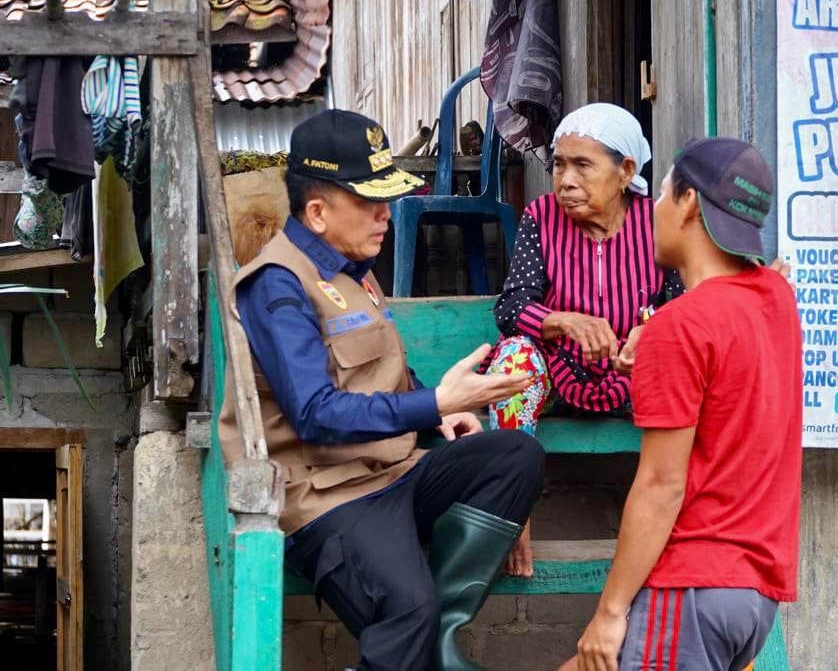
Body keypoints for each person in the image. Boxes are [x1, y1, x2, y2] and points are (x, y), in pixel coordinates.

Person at [217, 109, 546, 671]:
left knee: (515, 456)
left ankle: (438, 638)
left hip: (394, 472)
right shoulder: (277, 286)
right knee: (407, 609)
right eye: (370, 202)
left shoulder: (354, 268)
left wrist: (438, 413)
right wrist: (437, 402)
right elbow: (315, 412)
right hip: (326, 495)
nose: (385, 215)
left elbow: (379, 371)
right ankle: (421, 631)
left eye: (386, 199)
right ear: (318, 212)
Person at [563, 137, 802, 671]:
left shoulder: (680, 326)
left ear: (689, 203)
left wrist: (610, 611)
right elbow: (730, 380)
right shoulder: (777, 300)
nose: (653, 209)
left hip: (691, 585)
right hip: (753, 596)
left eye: (663, 193)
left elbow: (661, 486)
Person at [486, 103, 682, 577]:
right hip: (558, 371)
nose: (566, 181)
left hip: (632, 377)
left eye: (582, 166)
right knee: (513, 361)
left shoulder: (658, 223)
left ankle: (684, 529)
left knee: (694, 373)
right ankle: (513, 513)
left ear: (626, 171)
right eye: (559, 165)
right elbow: (512, 307)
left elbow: (685, 306)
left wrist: (652, 331)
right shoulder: (540, 217)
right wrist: (562, 322)